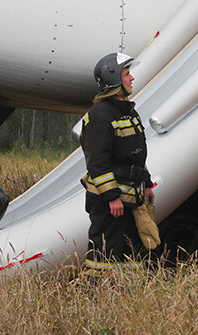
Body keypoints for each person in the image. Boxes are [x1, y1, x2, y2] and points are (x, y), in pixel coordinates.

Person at [80, 52, 155, 270]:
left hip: (130, 197)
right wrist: (112, 198)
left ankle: (124, 296)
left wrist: (147, 184)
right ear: (113, 79)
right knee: (104, 256)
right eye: (126, 73)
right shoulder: (100, 114)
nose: (132, 78)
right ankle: (97, 295)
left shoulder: (128, 112)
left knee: (131, 256)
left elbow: (135, 154)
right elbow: (97, 162)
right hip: (109, 204)